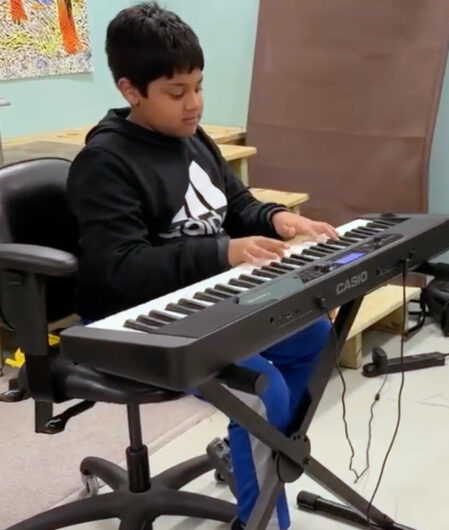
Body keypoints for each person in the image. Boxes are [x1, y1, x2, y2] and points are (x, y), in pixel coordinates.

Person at [66, 3, 335, 528]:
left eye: (199, 86)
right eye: (176, 93)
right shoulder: (105, 163)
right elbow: (120, 269)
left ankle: (259, 457)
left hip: (205, 306)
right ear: (130, 90)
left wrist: (278, 218)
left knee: (313, 338)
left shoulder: (193, 139)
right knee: (262, 391)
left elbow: (237, 205)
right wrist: (222, 252)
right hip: (135, 324)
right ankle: (262, 518)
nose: (194, 104)